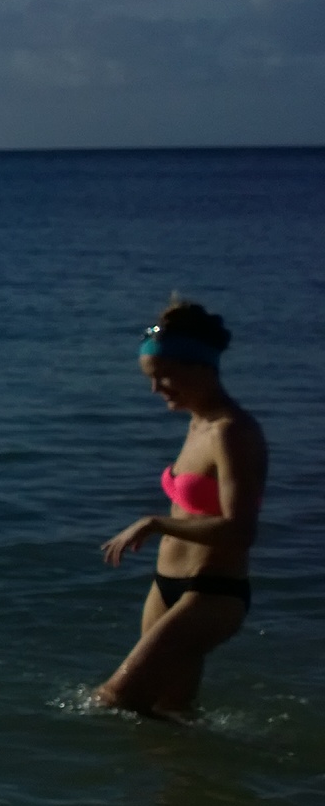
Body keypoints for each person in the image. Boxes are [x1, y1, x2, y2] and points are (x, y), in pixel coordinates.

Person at [97, 300, 263, 716]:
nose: (157, 390)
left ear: (201, 367)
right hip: (165, 586)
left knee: (114, 700)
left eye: (165, 377)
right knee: (172, 712)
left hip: (211, 593)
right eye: (151, 380)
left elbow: (240, 531)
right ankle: (186, 780)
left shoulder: (232, 433)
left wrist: (156, 523)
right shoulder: (196, 425)